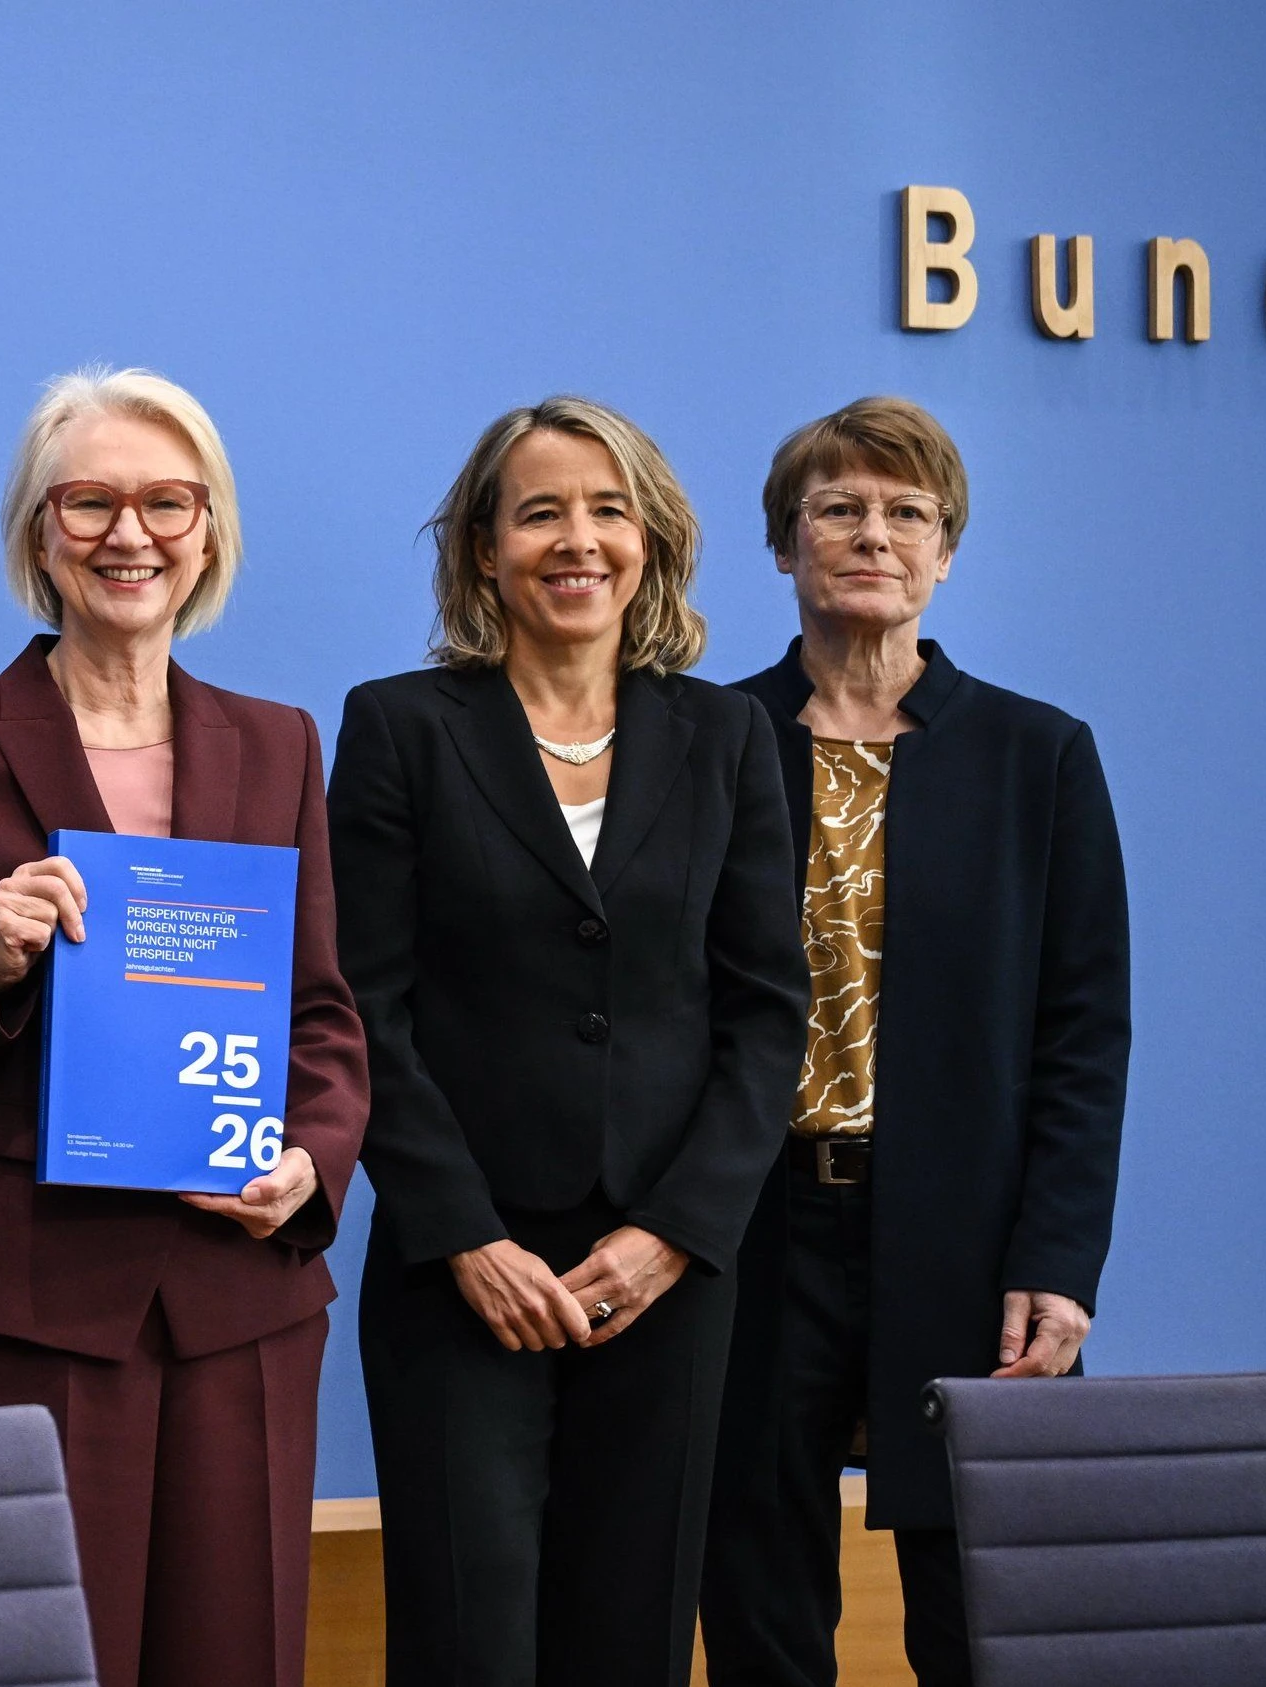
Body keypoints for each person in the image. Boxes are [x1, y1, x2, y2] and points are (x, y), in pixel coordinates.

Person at [0, 368, 370, 1687]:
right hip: (19, 1299)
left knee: (236, 1653)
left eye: (169, 502)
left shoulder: (279, 744)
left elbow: (323, 1014)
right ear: (38, 529)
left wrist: (310, 1163)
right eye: (91, 501)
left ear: (209, 531)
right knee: (23, 1659)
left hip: (236, 1293)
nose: (132, 534)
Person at [329, 396, 807, 1686]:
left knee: (630, 1642)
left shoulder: (727, 737)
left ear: (652, 542)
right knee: (468, 1643)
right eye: (540, 512)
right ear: (485, 550)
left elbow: (768, 1013)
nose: (577, 540)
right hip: (459, 1275)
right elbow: (363, 1006)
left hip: (666, 1276)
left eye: (608, 511)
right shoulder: (400, 727)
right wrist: (466, 1237)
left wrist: (673, 1234)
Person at [700, 397, 1130, 1687]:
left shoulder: (1038, 754)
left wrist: (1059, 1260)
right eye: (837, 508)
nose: (872, 535)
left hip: (967, 1234)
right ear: (784, 543)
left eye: (906, 512)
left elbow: (1084, 1034)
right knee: (759, 1594)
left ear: (945, 550)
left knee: (978, 1610)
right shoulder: (704, 741)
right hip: (751, 1225)